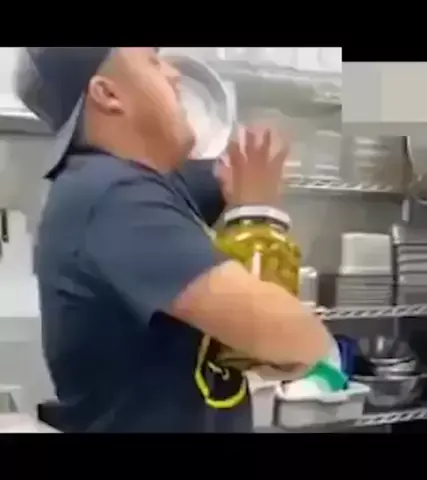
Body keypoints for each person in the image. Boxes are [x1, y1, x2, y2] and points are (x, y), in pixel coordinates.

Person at [15, 47, 332, 433]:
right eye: (153, 61)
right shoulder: (115, 198)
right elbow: (294, 339)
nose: (176, 74)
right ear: (108, 94)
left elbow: (217, 175)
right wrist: (257, 214)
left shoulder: (137, 188)